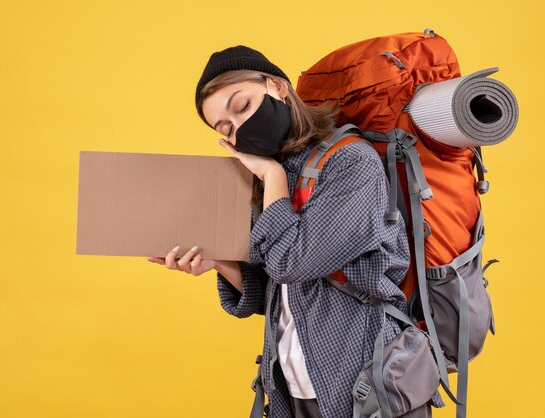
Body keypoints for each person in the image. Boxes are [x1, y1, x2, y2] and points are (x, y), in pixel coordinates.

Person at [147, 45, 439, 417]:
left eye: (243, 107)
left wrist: (271, 176)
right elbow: (275, 288)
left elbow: (292, 262)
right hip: (295, 387)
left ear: (277, 87)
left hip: (368, 385)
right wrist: (219, 262)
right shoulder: (277, 174)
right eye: (226, 129)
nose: (239, 129)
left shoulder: (352, 163)